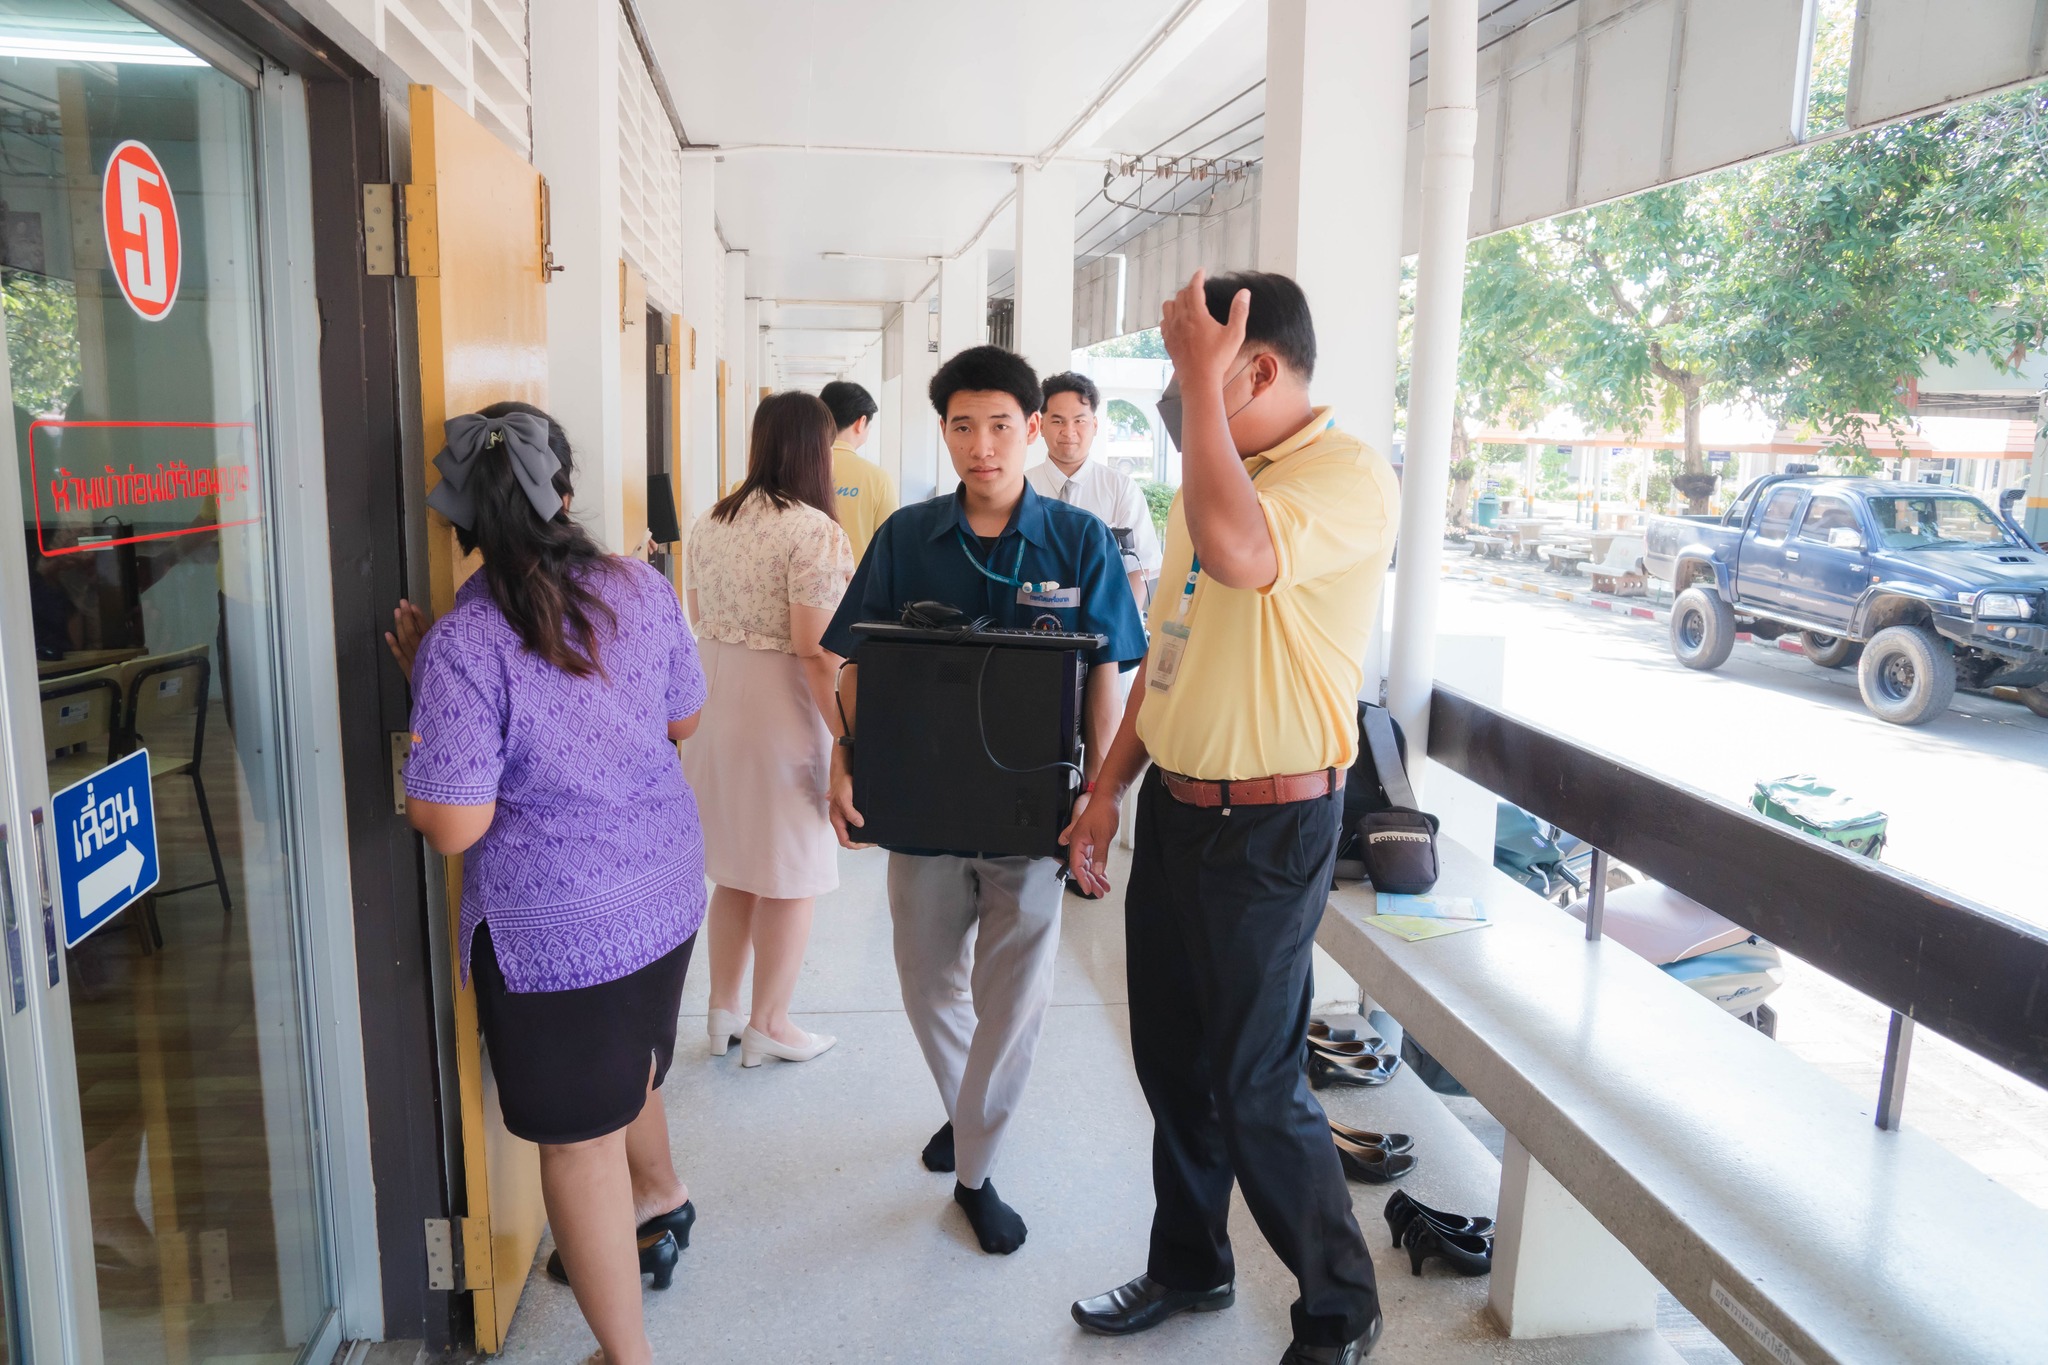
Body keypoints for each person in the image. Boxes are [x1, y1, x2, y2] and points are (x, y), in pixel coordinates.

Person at [1063, 271, 1399, 1365]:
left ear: (1252, 366)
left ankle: (1340, 1312)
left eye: (1187, 370)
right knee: (1168, 1058)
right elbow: (1165, 660)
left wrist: (1198, 392)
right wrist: (1106, 787)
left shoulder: (1346, 478)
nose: (1173, 395)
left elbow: (1245, 556)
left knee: (1255, 1084)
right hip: (1176, 811)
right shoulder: (1213, 478)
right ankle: (1191, 1266)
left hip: (1270, 827)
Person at [386, 403, 705, 1365]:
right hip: (664, 886)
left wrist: (429, 706)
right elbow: (683, 721)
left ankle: (627, 1356)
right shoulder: (641, 589)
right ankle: (662, 1198)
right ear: (566, 492)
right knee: (633, 1066)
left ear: (460, 523)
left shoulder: (463, 644)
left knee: (575, 1145)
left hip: (557, 930)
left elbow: (453, 824)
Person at [821, 345, 1147, 1255]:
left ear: (1033, 429)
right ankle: (970, 1113)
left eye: (1002, 424)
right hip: (922, 808)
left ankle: (975, 1168)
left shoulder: (1077, 541)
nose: (983, 444)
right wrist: (846, 758)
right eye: (963, 426)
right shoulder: (907, 537)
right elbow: (854, 661)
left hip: (1031, 811)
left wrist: (1098, 789)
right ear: (945, 433)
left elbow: (1107, 667)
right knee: (929, 984)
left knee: (1013, 1001)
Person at [683, 392, 854, 1067]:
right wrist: (846, 734)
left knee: (735, 867)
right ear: (817, 450)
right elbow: (814, 647)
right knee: (790, 871)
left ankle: (722, 1010)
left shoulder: (710, 521)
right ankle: (771, 1024)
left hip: (714, 698)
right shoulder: (813, 529)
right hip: (779, 705)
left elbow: (696, 612)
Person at [1025, 371, 1163, 610]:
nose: (1069, 432)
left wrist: (1124, 624)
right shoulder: (1020, 488)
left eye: (1079, 421)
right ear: (1041, 425)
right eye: (1058, 421)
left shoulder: (1122, 489)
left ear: (1095, 425)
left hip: (1102, 617)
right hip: (1030, 615)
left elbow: (1139, 567)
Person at [820, 379, 898, 561]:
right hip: (860, 584)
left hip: (804, 583)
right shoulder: (878, 479)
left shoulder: (796, 468)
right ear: (861, 422)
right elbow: (891, 543)